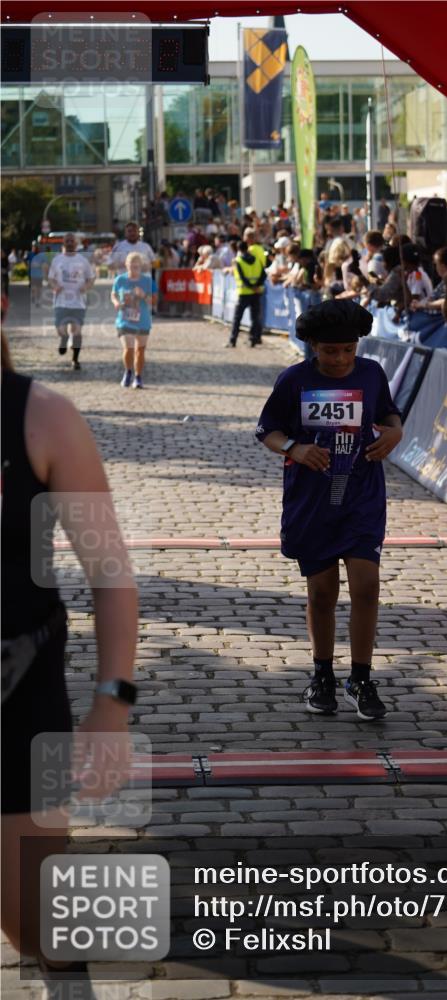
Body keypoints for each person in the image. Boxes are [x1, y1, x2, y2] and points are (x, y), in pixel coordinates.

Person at [1, 331, 137, 996]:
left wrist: (111, 704)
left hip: (17, 699)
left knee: (35, 930)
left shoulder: (43, 417)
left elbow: (110, 575)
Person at [256, 299, 403, 720]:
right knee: (322, 592)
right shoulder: (293, 381)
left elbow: (389, 415)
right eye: (330, 351)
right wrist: (295, 448)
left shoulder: (372, 373)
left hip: (362, 494)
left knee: (367, 585)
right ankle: (322, 674)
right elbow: (267, 430)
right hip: (312, 499)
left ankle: (361, 677)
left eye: (348, 351)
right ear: (313, 347)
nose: (340, 360)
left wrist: (394, 433)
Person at [47, 232, 95, 371]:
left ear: (76, 243)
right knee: (61, 330)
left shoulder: (83, 260)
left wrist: (86, 287)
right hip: (61, 302)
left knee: (77, 332)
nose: (69, 243)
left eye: (72, 241)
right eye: (67, 241)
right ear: (63, 243)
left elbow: (91, 278)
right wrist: (55, 286)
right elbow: (50, 278)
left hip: (78, 302)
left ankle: (75, 359)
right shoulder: (57, 260)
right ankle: (63, 339)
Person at [111, 251, 158, 389]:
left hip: (142, 320)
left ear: (141, 267)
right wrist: (115, 302)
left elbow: (154, 301)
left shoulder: (147, 281)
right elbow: (113, 294)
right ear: (126, 265)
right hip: (124, 320)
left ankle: (138, 376)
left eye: (136, 267)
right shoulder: (120, 280)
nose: (134, 270)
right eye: (131, 266)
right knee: (128, 349)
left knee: (140, 351)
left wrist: (144, 295)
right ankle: (128, 371)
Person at [228, 240, 265, 348]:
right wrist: (257, 285)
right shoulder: (257, 260)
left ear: (239, 249)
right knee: (255, 317)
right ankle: (253, 340)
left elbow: (242, 277)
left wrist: (250, 286)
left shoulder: (238, 261)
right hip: (256, 293)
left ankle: (233, 340)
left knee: (237, 318)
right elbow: (263, 275)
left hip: (244, 293)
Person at [410, 247, 447, 313]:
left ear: (443, 266)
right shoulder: (445, 280)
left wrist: (421, 304)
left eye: (436, 264)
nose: (435, 267)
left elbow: (445, 301)